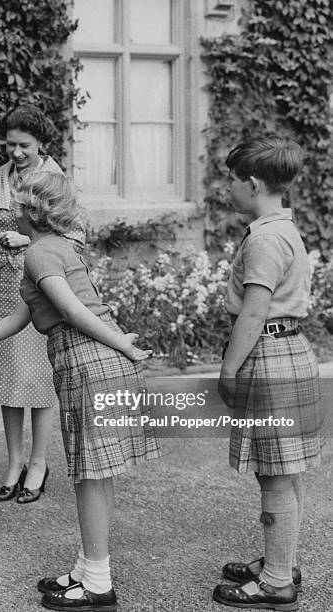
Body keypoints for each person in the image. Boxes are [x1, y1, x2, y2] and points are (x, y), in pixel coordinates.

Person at [0, 171, 159, 611]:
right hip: (95, 360)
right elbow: (20, 318)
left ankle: (98, 583)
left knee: (90, 475)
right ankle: (87, 569)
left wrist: (125, 345)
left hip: (89, 360)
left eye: (17, 207)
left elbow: (71, 309)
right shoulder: (54, 249)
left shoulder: (39, 254)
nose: (11, 216)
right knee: (95, 476)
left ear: (31, 214)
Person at [213, 138, 323, 611]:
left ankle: (277, 581)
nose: (228, 189)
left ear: (253, 183)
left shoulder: (264, 238)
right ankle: (281, 561)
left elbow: (254, 313)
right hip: (290, 348)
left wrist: (228, 368)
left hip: (267, 352)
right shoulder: (284, 228)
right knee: (286, 469)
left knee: (274, 475)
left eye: (232, 180)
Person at [0, 105, 85, 503]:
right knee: (6, 380)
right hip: (3, 287)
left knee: (38, 380)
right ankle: (14, 462)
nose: (16, 152)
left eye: (25, 145)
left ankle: (39, 463)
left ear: (41, 143)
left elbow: (77, 236)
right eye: (11, 144)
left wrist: (30, 241)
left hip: (41, 285)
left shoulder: (55, 181)